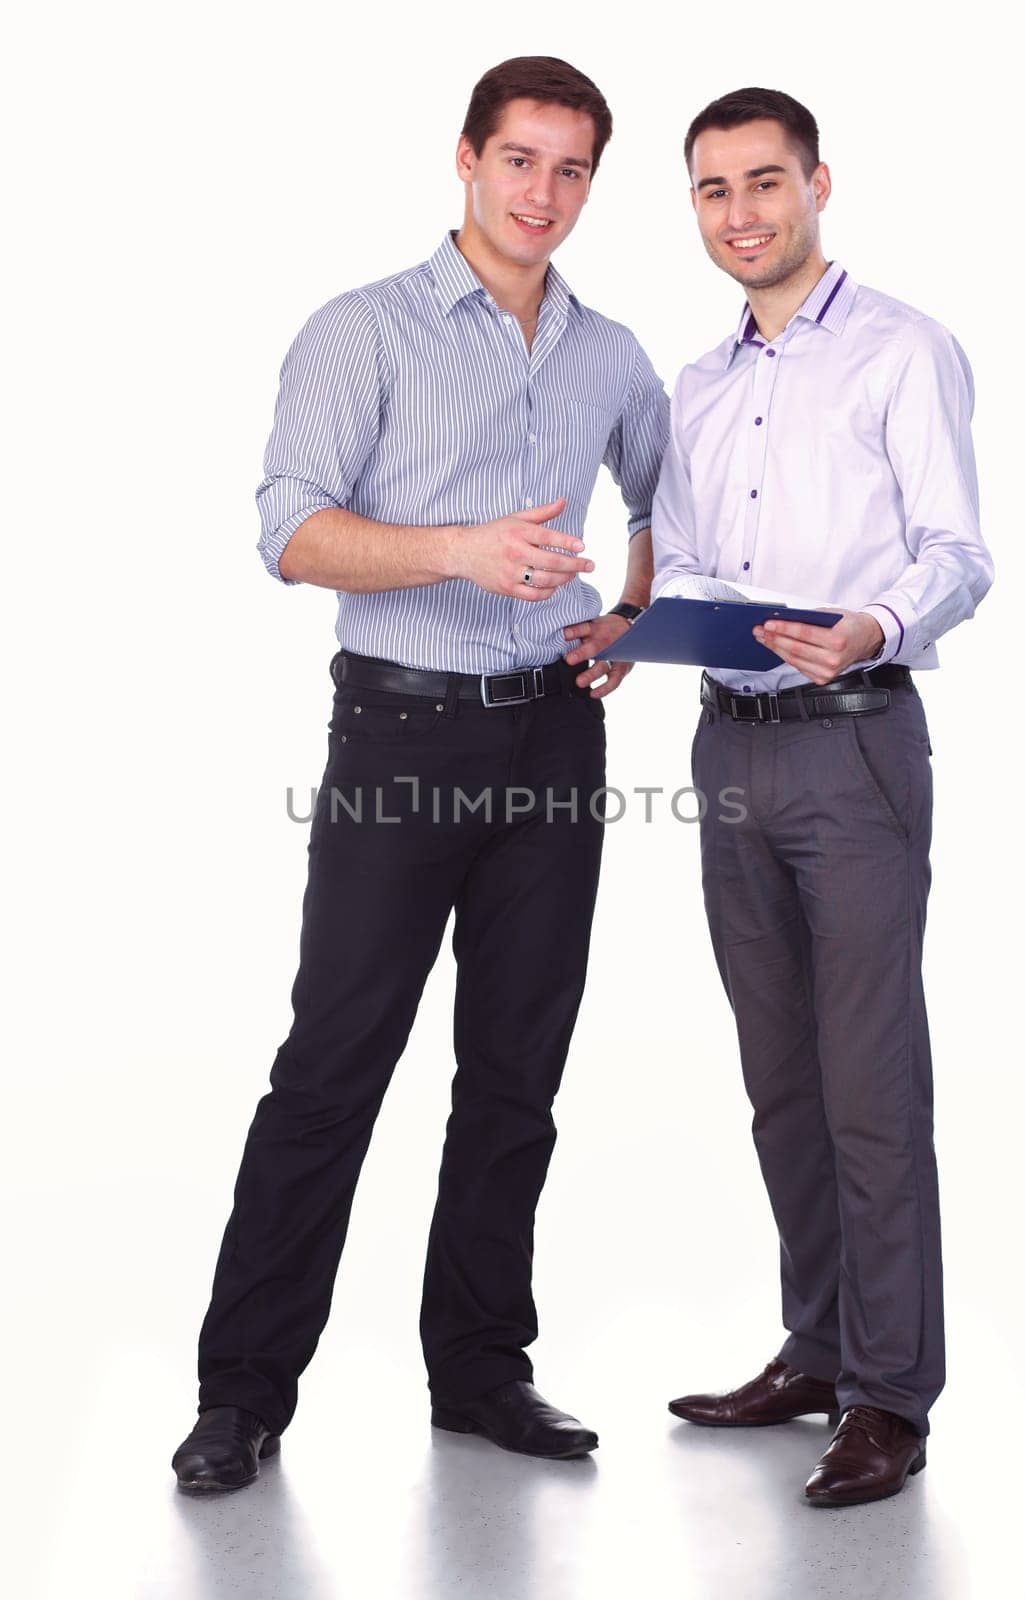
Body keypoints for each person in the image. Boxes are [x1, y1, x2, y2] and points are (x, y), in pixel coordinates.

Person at [171, 55, 669, 1491]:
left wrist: (633, 614)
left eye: (572, 169)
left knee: (515, 1071)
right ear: (465, 158)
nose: (543, 194)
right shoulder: (362, 330)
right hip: (399, 734)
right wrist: (458, 548)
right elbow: (287, 531)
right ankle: (243, 1394)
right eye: (520, 159)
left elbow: (667, 498)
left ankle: (480, 1372)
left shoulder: (608, 352)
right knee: (333, 1066)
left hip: (554, 737)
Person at [652, 87, 992, 1507]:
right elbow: (678, 557)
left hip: (851, 742)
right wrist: (634, 632)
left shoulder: (902, 352)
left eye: (764, 183)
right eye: (715, 190)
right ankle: (815, 1348)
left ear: (817, 185)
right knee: (780, 1084)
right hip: (724, 748)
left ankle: (889, 1397)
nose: (741, 213)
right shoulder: (698, 384)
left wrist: (871, 626)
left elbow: (957, 552)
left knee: (866, 1084)